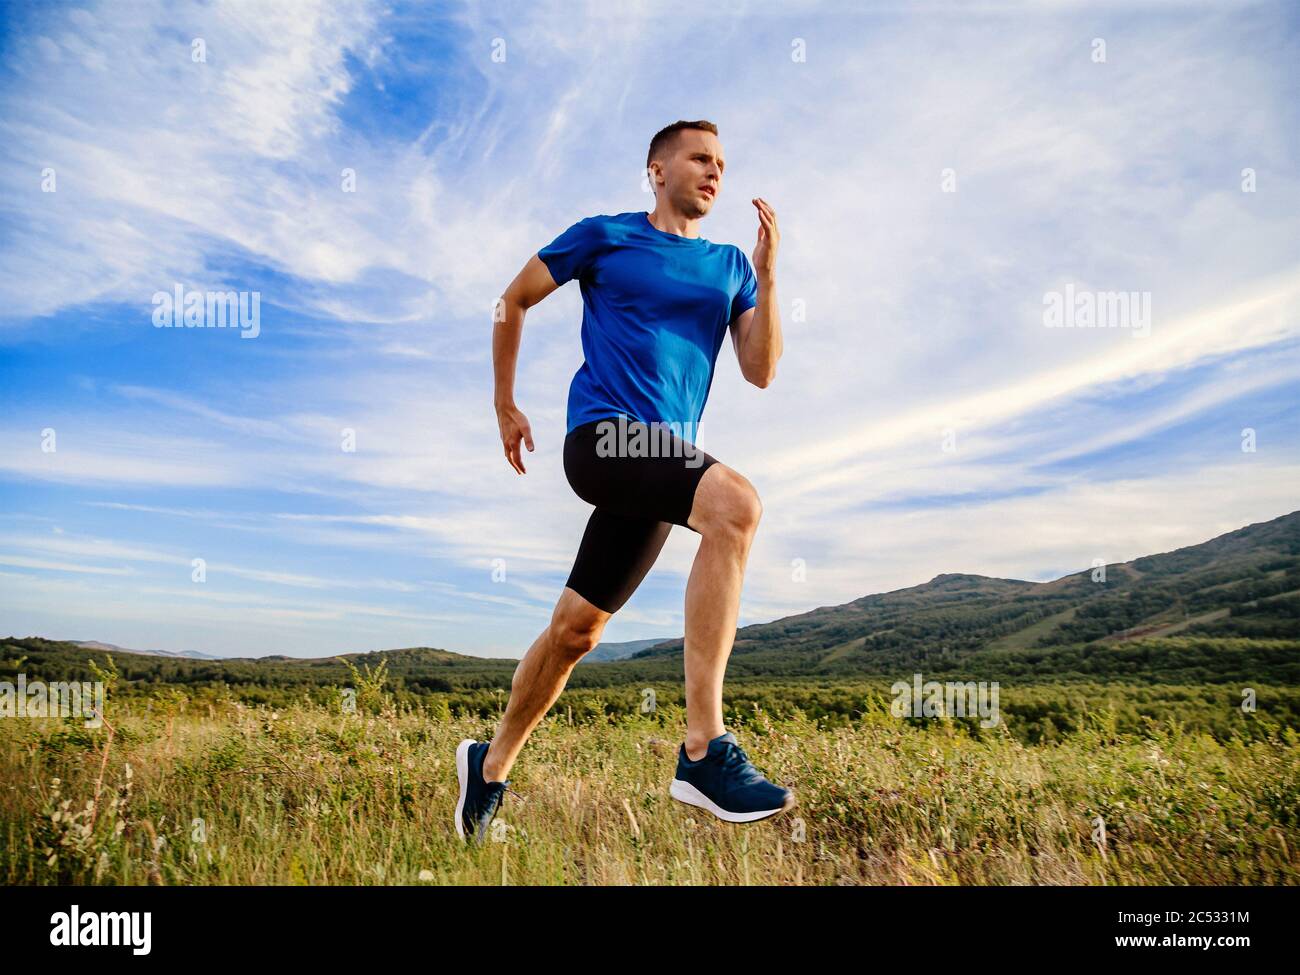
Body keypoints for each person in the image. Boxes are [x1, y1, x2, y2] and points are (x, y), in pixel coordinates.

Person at [456, 119, 790, 844]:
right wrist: (504, 402)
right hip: (604, 437)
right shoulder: (605, 236)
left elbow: (760, 371)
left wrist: (767, 276)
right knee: (736, 506)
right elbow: (509, 301)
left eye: (723, 165)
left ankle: (489, 765)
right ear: (657, 168)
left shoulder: (731, 265)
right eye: (701, 158)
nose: (715, 173)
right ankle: (704, 749)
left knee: (577, 630)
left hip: (664, 461)